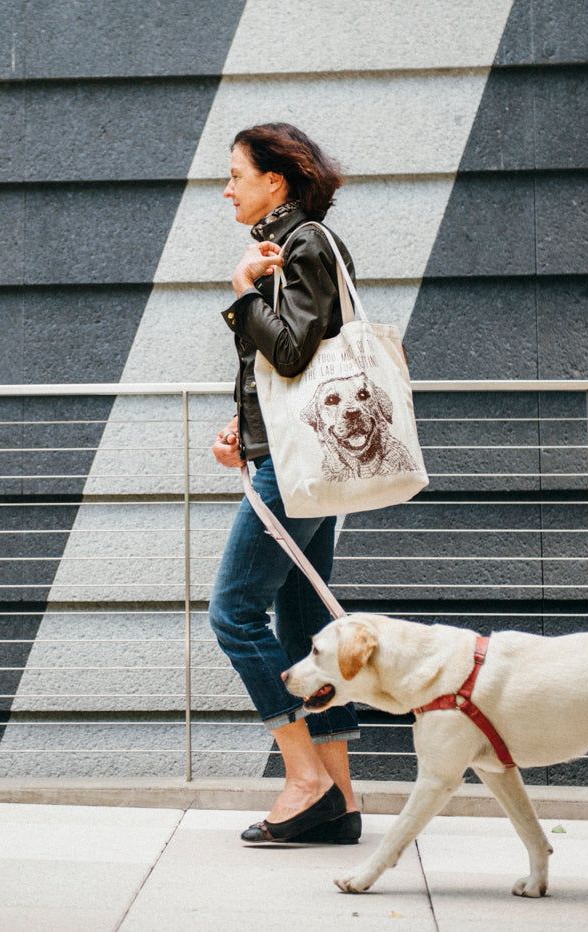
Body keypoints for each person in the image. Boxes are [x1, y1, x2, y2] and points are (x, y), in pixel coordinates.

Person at [210, 122, 361, 844]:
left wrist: (242, 291)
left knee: (234, 612)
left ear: (277, 179)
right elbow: (279, 363)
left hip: (298, 468)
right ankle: (342, 802)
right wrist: (246, 428)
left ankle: (304, 778)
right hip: (302, 457)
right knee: (302, 624)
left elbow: (295, 350)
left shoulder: (299, 244)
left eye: (237, 173)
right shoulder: (295, 245)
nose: (228, 187)